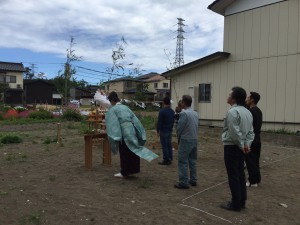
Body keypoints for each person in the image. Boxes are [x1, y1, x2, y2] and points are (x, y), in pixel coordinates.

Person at [105, 91, 158, 178]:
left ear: (112, 101)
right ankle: (134, 169)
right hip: (132, 129)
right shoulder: (126, 107)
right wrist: (139, 131)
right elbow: (135, 119)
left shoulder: (113, 109)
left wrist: (115, 135)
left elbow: (113, 123)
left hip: (123, 132)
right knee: (134, 149)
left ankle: (124, 172)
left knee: (124, 151)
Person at [220, 87, 255, 211]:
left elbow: (234, 132)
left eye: (229, 94)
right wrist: (246, 145)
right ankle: (241, 201)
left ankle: (235, 203)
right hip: (242, 147)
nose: (227, 96)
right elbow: (251, 132)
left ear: (234, 98)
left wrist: (242, 145)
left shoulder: (232, 112)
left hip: (232, 146)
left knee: (233, 175)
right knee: (240, 173)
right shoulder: (248, 112)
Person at [174, 95, 199, 189]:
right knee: (192, 160)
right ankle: (193, 180)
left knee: (182, 161)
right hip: (194, 138)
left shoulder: (184, 114)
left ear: (184, 103)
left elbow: (179, 128)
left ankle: (183, 182)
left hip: (186, 139)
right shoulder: (195, 113)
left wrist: (178, 136)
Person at [245, 92, 263, 187]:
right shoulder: (258, 111)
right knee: (255, 160)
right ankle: (257, 179)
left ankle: (252, 181)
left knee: (250, 160)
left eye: (248, 97)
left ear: (252, 99)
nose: (246, 99)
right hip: (257, 138)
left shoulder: (251, 111)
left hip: (251, 138)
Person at [157, 96, 175, 165]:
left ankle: (166, 159)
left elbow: (160, 122)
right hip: (169, 130)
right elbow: (173, 121)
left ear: (164, 102)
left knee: (164, 146)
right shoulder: (172, 111)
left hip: (163, 130)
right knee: (169, 145)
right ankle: (170, 158)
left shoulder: (162, 111)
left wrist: (158, 130)